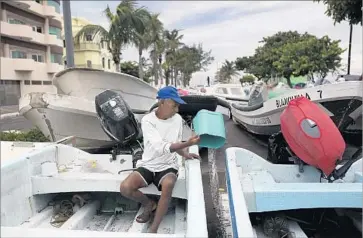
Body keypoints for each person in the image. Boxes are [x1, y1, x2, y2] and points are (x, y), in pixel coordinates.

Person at [120, 86, 200, 233]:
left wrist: (186, 154)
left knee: (168, 184)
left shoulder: (177, 119)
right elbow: (160, 147)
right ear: (162, 102)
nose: (176, 109)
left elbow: (175, 143)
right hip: (149, 164)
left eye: (178, 106)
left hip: (168, 165)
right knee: (125, 188)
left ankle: (154, 228)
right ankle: (149, 204)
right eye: (174, 105)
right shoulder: (148, 121)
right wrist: (189, 143)